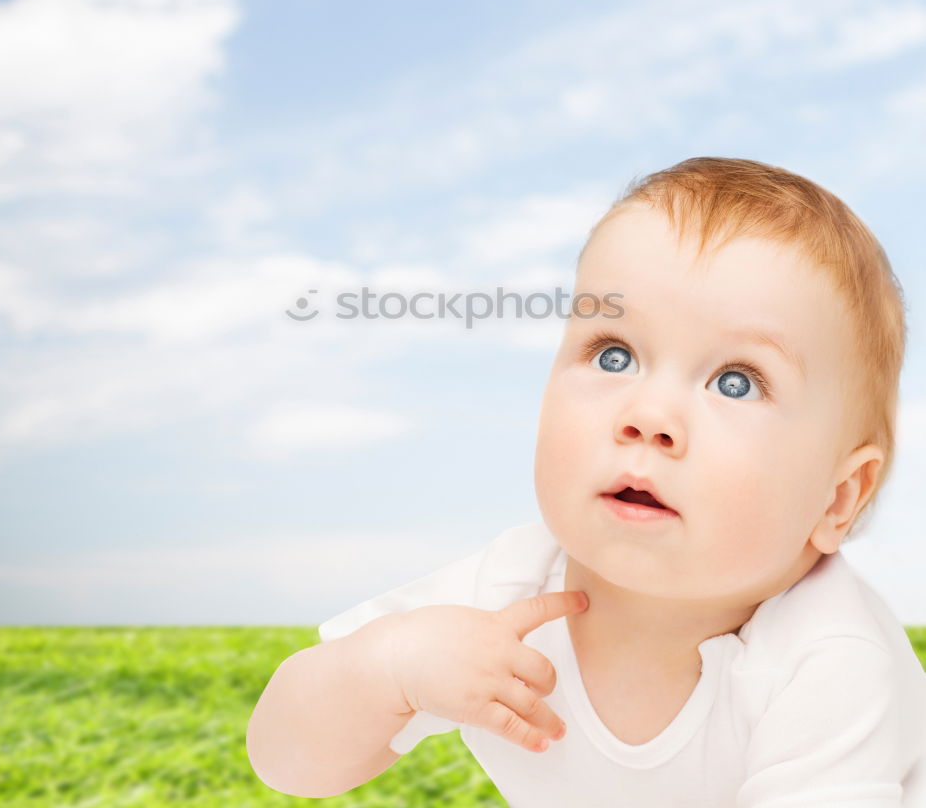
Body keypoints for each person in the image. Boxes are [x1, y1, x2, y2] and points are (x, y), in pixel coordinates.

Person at [246, 156, 926, 806]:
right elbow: (287, 763)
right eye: (614, 353)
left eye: (736, 382)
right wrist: (389, 668)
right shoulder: (509, 592)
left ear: (838, 498)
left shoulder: (829, 660)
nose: (648, 416)